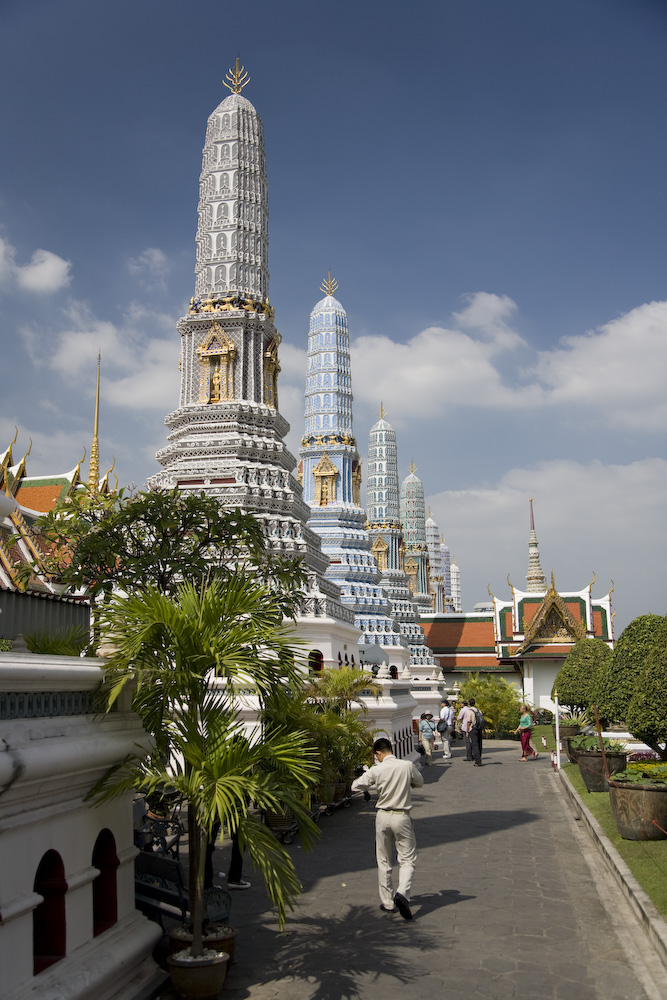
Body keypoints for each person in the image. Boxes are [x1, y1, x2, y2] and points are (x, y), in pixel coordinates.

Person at [351, 736, 424, 920]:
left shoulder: (377, 769)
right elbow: (420, 782)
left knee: (384, 860)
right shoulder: (406, 766)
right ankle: (402, 893)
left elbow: (355, 786)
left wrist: (370, 778)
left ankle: (388, 902)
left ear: (377, 753)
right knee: (407, 859)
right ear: (391, 749)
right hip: (402, 816)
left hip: (383, 816)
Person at [468, 697, 484, 766]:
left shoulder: (470, 711)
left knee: (475, 744)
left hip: (473, 728)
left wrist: (467, 731)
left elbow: (468, 722)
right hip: (479, 728)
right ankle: (479, 757)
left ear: (469, 704)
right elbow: (482, 721)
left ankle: (478, 761)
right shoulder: (478, 710)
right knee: (479, 743)